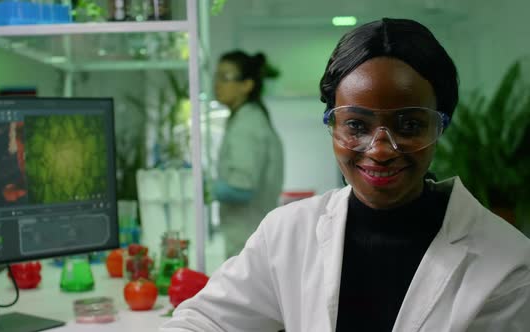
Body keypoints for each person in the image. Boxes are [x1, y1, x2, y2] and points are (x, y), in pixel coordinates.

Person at [161, 18, 530, 331]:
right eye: (356, 124)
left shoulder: (507, 262)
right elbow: (202, 320)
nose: (380, 149)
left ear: (439, 128)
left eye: (409, 124)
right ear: (332, 126)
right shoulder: (288, 234)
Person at [211, 50, 284, 259]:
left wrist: (203, 187)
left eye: (226, 77)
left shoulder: (247, 125)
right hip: (249, 235)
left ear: (247, 85)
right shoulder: (247, 118)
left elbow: (241, 188)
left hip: (247, 237)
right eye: (217, 76)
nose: (217, 84)